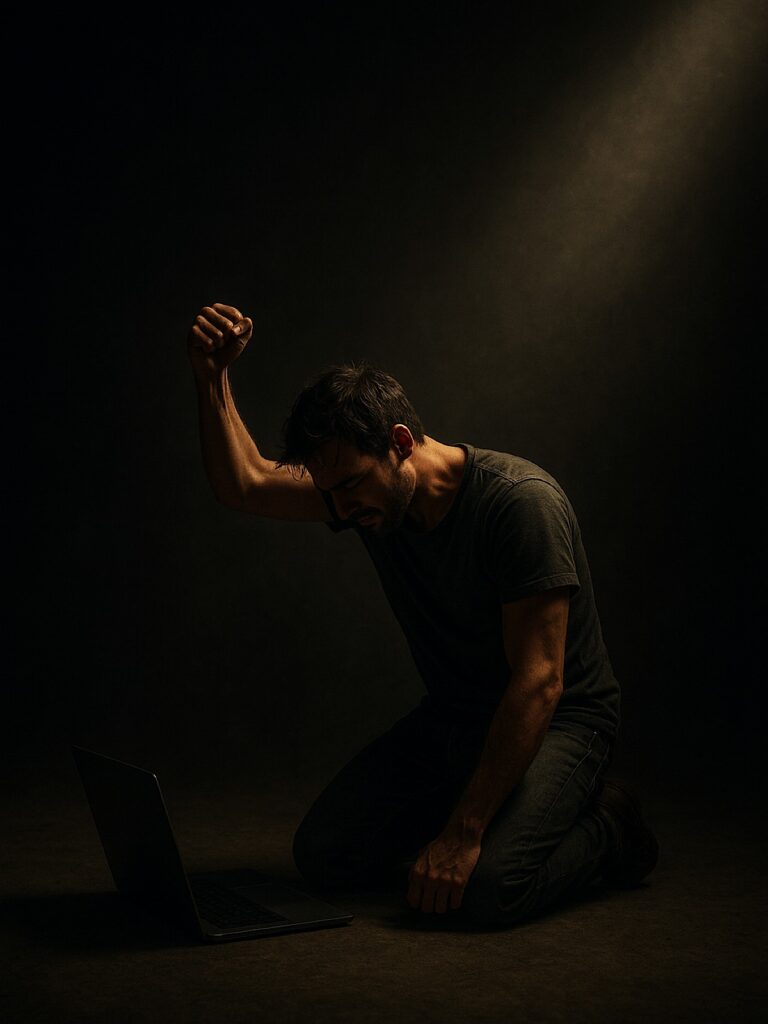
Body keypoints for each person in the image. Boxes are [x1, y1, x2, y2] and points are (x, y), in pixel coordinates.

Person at [187, 301, 659, 927]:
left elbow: (541, 681)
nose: (340, 509)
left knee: (489, 889)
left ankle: (606, 824)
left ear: (401, 444)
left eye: (351, 485)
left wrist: (464, 833)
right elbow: (243, 483)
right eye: (329, 493)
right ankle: (493, 814)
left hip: (561, 722)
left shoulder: (521, 504)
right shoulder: (359, 495)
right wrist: (211, 376)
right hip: (458, 719)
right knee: (324, 854)